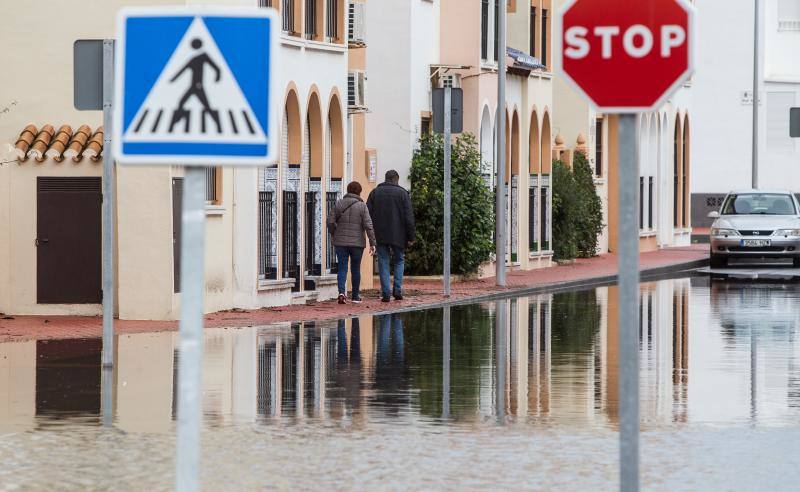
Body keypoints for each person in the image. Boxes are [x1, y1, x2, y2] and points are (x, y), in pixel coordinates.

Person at [367, 170, 415, 302]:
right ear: (397, 179)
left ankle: (386, 293)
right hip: (399, 235)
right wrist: (411, 237)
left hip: (380, 233)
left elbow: (367, 214)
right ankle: (397, 290)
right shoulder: (403, 194)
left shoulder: (375, 193)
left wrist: (370, 234)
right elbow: (408, 217)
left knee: (383, 261)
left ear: (386, 178)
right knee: (399, 260)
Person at [327, 181, 376, 304]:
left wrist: (334, 233)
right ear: (359, 192)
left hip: (341, 242)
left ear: (348, 190)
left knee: (342, 267)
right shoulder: (362, 206)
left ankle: (342, 293)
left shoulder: (339, 204)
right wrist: (372, 242)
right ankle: (355, 296)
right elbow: (368, 225)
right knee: (355, 269)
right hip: (357, 243)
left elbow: (330, 222)